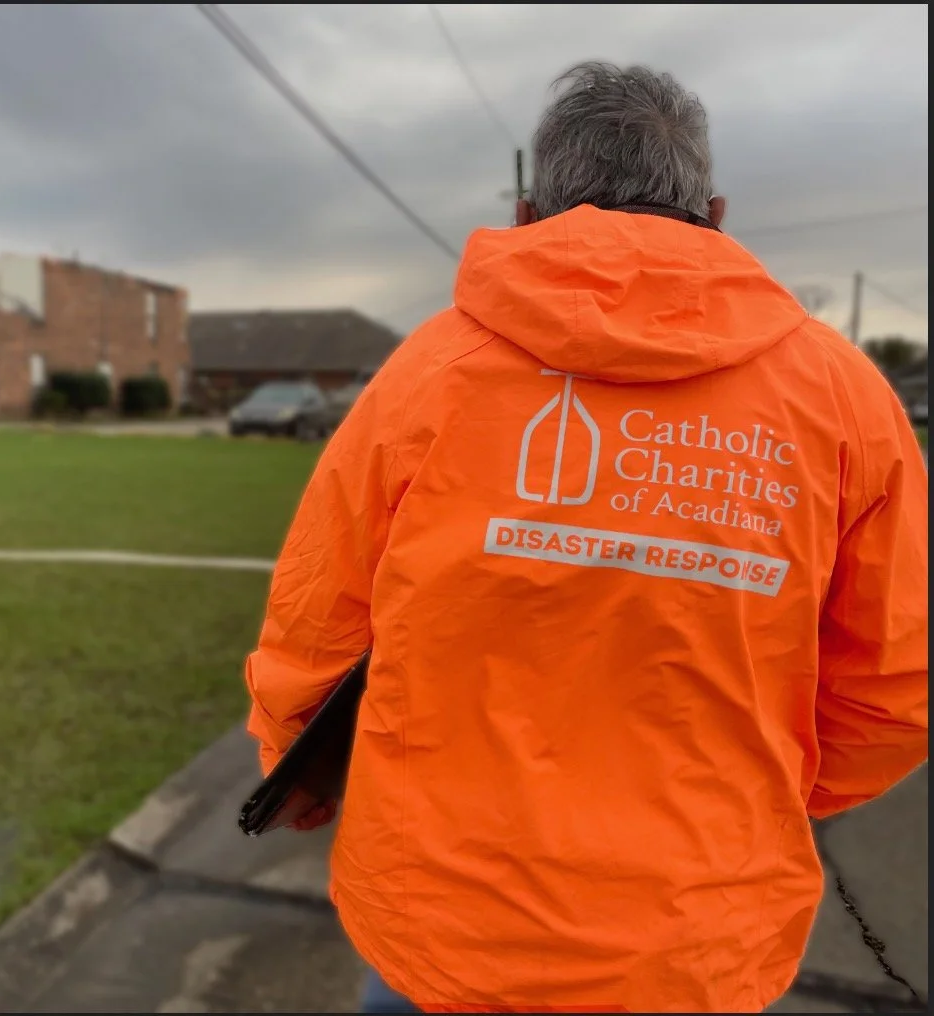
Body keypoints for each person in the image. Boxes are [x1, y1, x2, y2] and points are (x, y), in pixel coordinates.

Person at [242, 61, 928, 1014]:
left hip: (443, 925)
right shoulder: (843, 398)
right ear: (716, 214)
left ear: (530, 213)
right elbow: (894, 685)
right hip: (694, 942)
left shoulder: (428, 374)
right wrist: (755, 805)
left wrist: (296, 759)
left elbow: (316, 619)